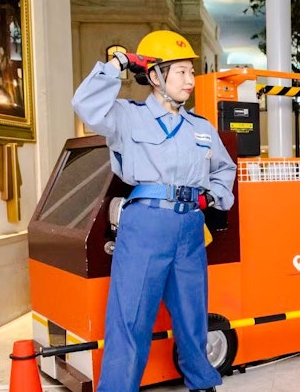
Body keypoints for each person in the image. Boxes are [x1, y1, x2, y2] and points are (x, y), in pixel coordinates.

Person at [72, 30, 237, 392]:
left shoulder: (201, 127)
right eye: (181, 72)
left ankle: (202, 381)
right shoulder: (126, 117)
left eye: (191, 72)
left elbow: (224, 169)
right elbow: (85, 104)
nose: (190, 80)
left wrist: (212, 197)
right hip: (145, 223)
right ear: (156, 76)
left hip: (190, 226)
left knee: (193, 313)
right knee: (130, 317)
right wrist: (117, 63)